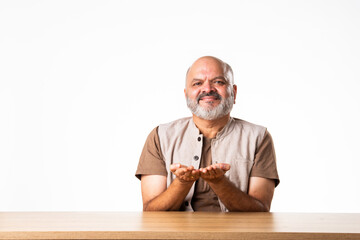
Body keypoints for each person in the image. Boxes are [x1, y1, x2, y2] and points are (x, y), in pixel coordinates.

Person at [135, 56, 279, 212]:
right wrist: (182, 183)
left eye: (218, 82)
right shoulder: (160, 137)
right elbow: (150, 211)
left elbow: (261, 210)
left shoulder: (259, 137)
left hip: (237, 235)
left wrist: (220, 183)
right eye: (197, 83)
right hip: (176, 236)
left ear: (234, 92)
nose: (208, 89)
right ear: (186, 94)